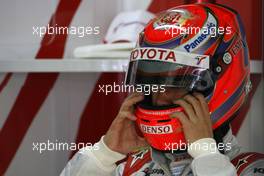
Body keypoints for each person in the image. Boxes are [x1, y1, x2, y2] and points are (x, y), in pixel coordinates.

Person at [61, 3, 264, 176]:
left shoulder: (251, 168)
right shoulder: (134, 167)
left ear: (220, 83)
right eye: (152, 83)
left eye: (176, 83)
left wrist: (207, 155)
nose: (159, 97)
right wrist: (104, 153)